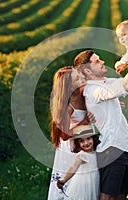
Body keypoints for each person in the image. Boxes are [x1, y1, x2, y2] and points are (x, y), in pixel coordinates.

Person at [74, 40, 128, 200]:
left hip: (125, 146)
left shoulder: (105, 83)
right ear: (87, 70)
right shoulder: (93, 90)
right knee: (107, 196)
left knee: (122, 195)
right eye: (97, 61)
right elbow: (127, 85)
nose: (102, 62)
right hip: (112, 150)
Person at [48, 66, 96, 200]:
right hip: (72, 148)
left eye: (80, 75)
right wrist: (84, 122)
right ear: (69, 86)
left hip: (84, 142)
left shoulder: (82, 93)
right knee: (72, 182)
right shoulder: (68, 106)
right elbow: (64, 135)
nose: (82, 78)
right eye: (77, 78)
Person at [56, 125, 100, 200]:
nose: (86, 143)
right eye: (82, 141)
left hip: (94, 182)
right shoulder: (82, 155)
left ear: (93, 138)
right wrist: (64, 180)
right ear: (78, 144)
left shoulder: (97, 152)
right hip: (83, 183)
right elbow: (73, 168)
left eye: (88, 138)